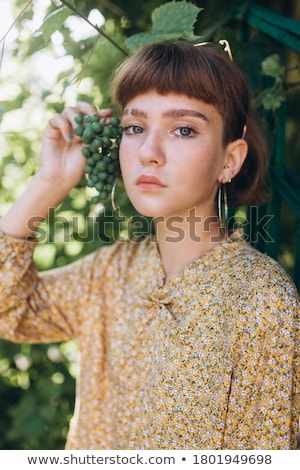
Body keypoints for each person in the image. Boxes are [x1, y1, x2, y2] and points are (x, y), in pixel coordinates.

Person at [0, 40, 299, 450]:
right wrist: (48, 184)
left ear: (230, 160)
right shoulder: (110, 270)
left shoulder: (262, 300)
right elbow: (8, 308)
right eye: (135, 128)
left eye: (184, 129)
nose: (148, 152)